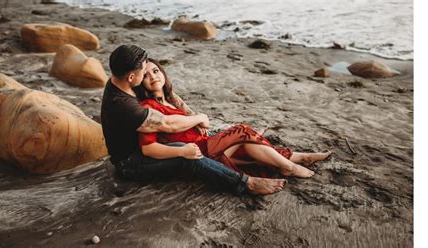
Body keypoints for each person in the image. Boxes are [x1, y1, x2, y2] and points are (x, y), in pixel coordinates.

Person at [100, 44, 287, 195]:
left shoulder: (120, 76)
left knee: (207, 136)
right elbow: (167, 124)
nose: (145, 76)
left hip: (145, 148)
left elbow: (170, 96)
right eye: (143, 73)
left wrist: (191, 116)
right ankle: (246, 184)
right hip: (131, 162)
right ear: (132, 76)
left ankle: (245, 142)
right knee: (187, 156)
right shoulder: (122, 105)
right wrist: (199, 118)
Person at [136, 58, 332, 179]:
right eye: (146, 75)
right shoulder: (147, 107)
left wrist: (198, 120)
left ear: (162, 72)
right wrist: (197, 121)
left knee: (248, 147)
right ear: (140, 82)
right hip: (198, 153)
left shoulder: (171, 101)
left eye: (155, 70)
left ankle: (300, 157)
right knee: (243, 130)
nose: (153, 76)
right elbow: (148, 147)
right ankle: (289, 166)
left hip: (207, 144)